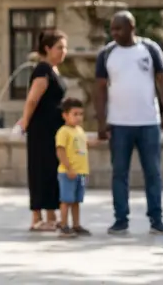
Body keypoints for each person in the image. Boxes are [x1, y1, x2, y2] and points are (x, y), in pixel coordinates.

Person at [94, 11, 163, 236]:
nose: (114, 33)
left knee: (153, 173)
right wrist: (101, 121)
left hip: (149, 122)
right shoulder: (106, 53)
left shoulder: (150, 49)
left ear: (131, 27)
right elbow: (99, 89)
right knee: (119, 173)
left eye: (118, 28)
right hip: (119, 124)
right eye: (112, 29)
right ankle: (120, 220)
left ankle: (156, 220)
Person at [14, 29, 68, 232]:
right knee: (40, 170)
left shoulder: (53, 69)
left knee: (51, 170)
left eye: (65, 47)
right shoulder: (43, 70)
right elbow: (32, 100)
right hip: (42, 129)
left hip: (53, 129)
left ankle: (51, 214)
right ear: (47, 48)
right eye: (60, 47)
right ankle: (36, 217)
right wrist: (25, 123)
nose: (64, 51)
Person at [55, 97, 95, 238]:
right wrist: (69, 168)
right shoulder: (63, 131)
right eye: (75, 114)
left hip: (82, 173)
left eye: (81, 114)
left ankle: (76, 225)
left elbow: (84, 146)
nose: (78, 117)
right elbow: (60, 150)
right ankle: (63, 225)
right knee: (67, 200)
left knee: (77, 200)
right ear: (65, 115)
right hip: (68, 173)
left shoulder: (80, 131)